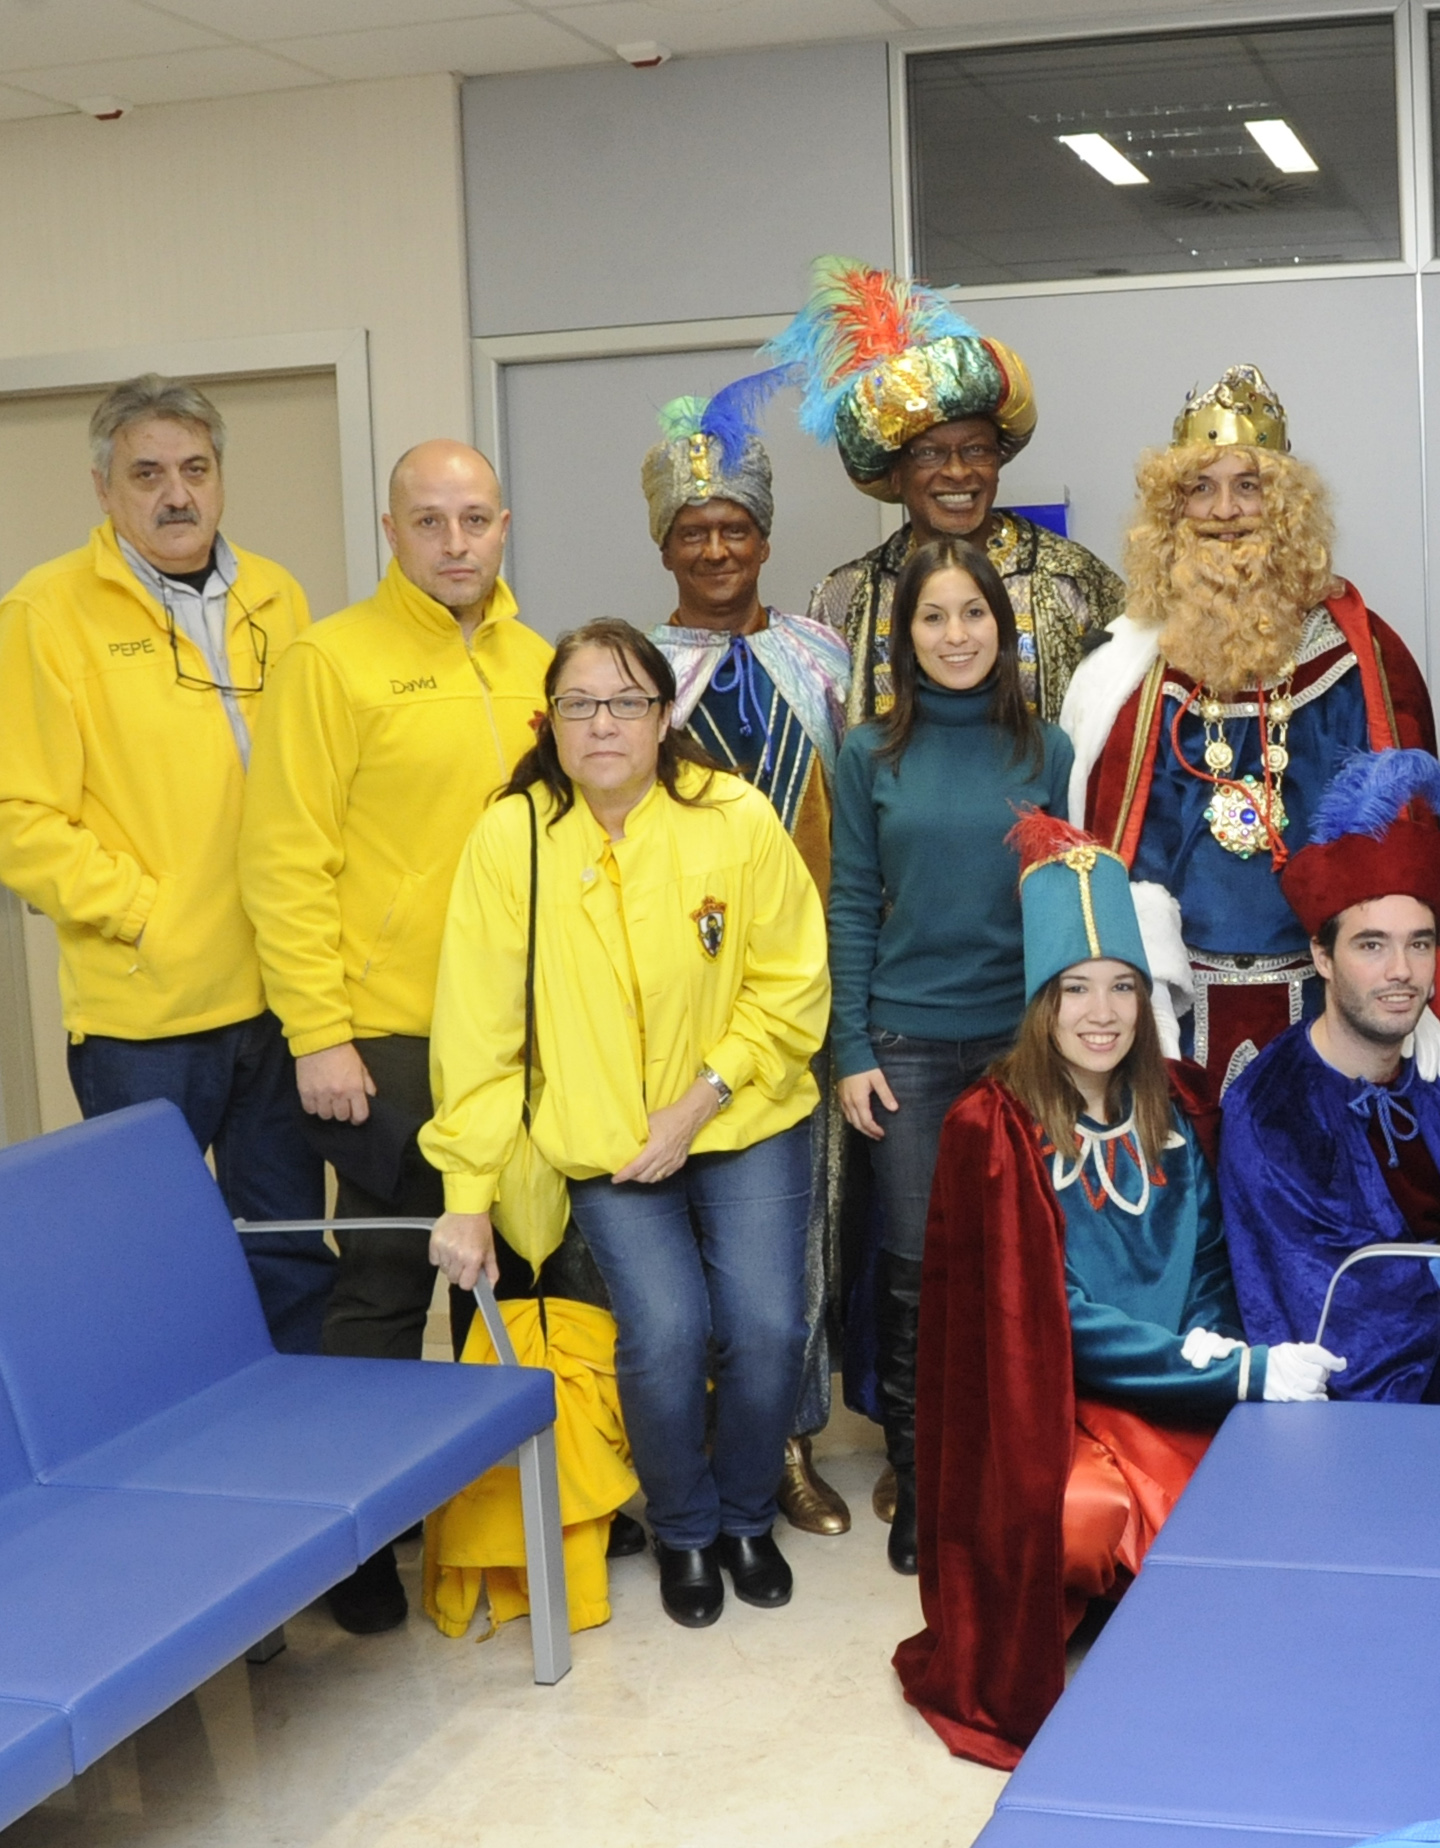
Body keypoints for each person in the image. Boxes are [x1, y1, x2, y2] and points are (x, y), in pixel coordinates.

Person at [891, 809, 1337, 1770]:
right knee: (1083, 1521)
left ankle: (1157, 1586)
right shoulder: (993, 1128)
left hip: (1180, 1385)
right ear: (1039, 1002)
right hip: (1049, 1409)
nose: (1101, 1013)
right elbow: (1042, 1320)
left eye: (1123, 989)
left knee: (1273, 1502)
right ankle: (1120, 1580)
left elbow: (1212, 1261)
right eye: (1075, 990)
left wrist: (1221, 1346)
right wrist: (1224, 1373)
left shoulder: (1176, 1103)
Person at [422, 620, 829, 1631]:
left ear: (662, 718)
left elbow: (792, 984)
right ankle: (687, 1531)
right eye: (579, 704)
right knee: (663, 1332)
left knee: (769, 1329)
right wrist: (467, 1195)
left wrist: (701, 1100)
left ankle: (744, 1517)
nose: (602, 723)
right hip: (605, 1144)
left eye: (626, 702)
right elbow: (476, 1033)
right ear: (548, 721)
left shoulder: (732, 818)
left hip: (743, 1115)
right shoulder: (510, 839)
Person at [239, 438, 554, 1635]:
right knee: (384, 1278)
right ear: (391, 531)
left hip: (517, 1035)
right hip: (386, 1035)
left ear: (506, 523)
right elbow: (285, 856)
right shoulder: (333, 660)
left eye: (475, 519)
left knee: (522, 1268)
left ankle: (511, 1516)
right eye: (430, 521)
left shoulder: (539, 662)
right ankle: (355, 1544)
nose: (455, 543)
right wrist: (318, 1033)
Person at [0, 375, 329, 1351]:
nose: (175, 494)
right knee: (156, 1266)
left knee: (292, 1254)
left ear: (221, 477)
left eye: (195, 468)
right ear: (106, 489)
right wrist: (146, 910)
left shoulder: (277, 593)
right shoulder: (45, 611)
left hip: (279, 998)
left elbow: (310, 779)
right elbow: (20, 816)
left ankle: (302, 1465)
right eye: (146, 473)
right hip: (146, 1017)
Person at [1063, 365, 1439, 1095]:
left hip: (1328, 1009)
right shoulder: (1121, 669)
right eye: (1201, 487)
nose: (1226, 511)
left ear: (1288, 505)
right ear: (1170, 511)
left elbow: (1405, 852)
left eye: (1250, 485)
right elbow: (1098, 850)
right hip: (1168, 1015)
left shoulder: (1362, 658)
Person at [829, 536, 1076, 1575]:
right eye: (933, 617)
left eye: (972, 614)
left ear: (1003, 628)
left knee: (1023, 1264)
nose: (955, 635)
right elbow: (848, 900)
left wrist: (1070, 1049)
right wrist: (848, 1044)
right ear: (904, 637)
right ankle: (921, 1492)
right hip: (905, 1046)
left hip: (1024, 1047)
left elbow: (1069, 903)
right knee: (918, 1277)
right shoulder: (869, 754)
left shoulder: (1050, 752)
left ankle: (1015, 1477)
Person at [641, 377, 859, 1540]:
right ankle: (689, 1445)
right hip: (675, 999)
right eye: (693, 532)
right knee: (686, 1233)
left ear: (767, 539)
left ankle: (784, 1443)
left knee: (800, 1229)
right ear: (666, 547)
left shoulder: (820, 657)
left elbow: (850, 814)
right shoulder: (634, 672)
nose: (717, 547)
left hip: (795, 990)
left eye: (735, 528)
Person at [1218, 749, 1440, 1407]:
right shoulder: (1273, 1115)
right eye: (1371, 945)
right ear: (1321, 958)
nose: (1402, 971)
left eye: (1419, 943)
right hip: (1365, 1384)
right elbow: (1336, 1307)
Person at [774, 257, 1122, 724]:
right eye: (929, 454)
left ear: (999, 461)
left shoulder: (1072, 580)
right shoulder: (843, 597)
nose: (957, 472)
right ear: (895, 474)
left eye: (976, 450)